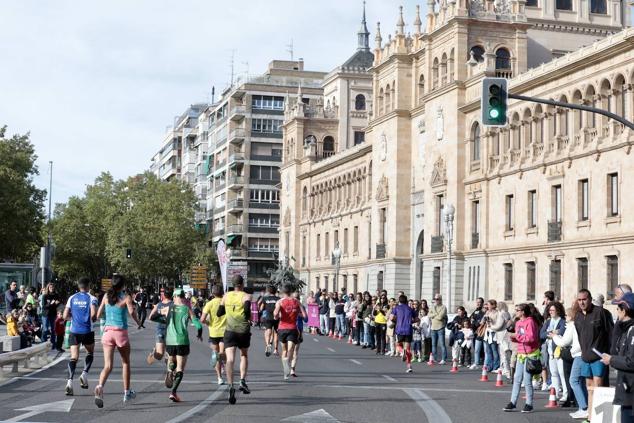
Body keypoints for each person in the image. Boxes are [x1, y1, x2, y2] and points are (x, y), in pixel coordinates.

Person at [94, 274, 141, 408]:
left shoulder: (106, 296)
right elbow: (132, 312)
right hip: (121, 333)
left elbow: (98, 315)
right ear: (123, 285)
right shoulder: (126, 297)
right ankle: (126, 393)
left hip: (107, 333)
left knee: (107, 365)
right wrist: (138, 322)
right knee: (125, 362)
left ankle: (99, 386)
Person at [153, 288, 202, 402]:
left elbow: (152, 317)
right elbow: (198, 325)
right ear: (183, 297)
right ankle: (173, 392)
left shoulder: (168, 308)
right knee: (180, 368)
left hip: (170, 341)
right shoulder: (187, 309)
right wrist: (199, 334)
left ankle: (170, 370)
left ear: (174, 297)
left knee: (171, 361)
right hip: (182, 341)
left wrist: (165, 319)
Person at [575, 289, 613, 416]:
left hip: (599, 358)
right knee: (589, 389)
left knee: (599, 388)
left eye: (584, 299)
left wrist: (610, 354)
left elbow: (611, 334)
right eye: (579, 300)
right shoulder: (578, 316)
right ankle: (591, 416)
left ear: (590, 299)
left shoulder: (601, 312)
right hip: (585, 358)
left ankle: (600, 417)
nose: (582, 302)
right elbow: (580, 336)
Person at [599, 292, 634, 422]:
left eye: (618, 308)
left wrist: (611, 359)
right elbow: (616, 350)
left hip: (631, 392)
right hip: (626, 390)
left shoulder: (632, 330)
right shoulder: (625, 329)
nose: (617, 312)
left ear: (624, 310)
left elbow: (632, 361)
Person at [217, 275, 252, 405]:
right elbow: (247, 311)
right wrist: (247, 318)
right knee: (244, 354)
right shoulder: (246, 296)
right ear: (242, 284)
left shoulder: (226, 296)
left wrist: (228, 310)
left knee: (230, 359)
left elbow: (219, 313)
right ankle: (242, 380)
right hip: (243, 330)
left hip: (230, 331)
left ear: (233, 284)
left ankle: (231, 385)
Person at [63, 277, 98, 396]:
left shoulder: (71, 298)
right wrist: (93, 319)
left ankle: (69, 382)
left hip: (74, 330)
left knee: (74, 357)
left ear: (79, 286)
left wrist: (73, 320)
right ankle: (84, 374)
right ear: (88, 286)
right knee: (90, 353)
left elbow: (64, 315)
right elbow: (93, 314)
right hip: (87, 330)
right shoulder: (92, 298)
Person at [504, 303, 540, 413]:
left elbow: (531, 338)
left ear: (523, 311)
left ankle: (529, 404)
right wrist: (514, 338)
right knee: (517, 378)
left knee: (527, 380)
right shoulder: (518, 322)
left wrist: (517, 336)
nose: (516, 312)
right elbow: (520, 337)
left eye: (518, 310)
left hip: (530, 354)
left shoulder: (530, 322)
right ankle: (512, 402)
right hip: (521, 353)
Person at [551, 306, 582, 412]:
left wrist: (554, 336)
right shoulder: (573, 325)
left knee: (572, 379)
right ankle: (575, 400)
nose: (565, 317)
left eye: (567, 315)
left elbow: (565, 342)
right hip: (572, 353)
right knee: (573, 379)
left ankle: (580, 404)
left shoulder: (571, 325)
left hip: (572, 353)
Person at [274, 284, 306, 380]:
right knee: (290, 349)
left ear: (283, 292)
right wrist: (298, 314)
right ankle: (286, 368)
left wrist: (277, 315)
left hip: (282, 328)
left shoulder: (279, 302)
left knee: (284, 350)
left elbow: (275, 314)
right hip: (292, 328)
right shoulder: (297, 301)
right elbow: (305, 316)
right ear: (291, 292)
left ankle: (285, 369)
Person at [540, 301, 567, 404]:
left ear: (558, 311)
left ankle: (565, 394)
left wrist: (555, 333)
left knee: (562, 373)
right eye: (550, 310)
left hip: (559, 351)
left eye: (553, 310)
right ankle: (554, 393)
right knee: (554, 373)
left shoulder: (562, 321)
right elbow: (541, 334)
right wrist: (551, 333)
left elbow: (562, 332)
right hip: (550, 351)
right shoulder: (548, 321)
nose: (550, 312)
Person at [201, 284, 227, 385]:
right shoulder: (226, 302)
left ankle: (219, 378)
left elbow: (202, 319)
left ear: (212, 293)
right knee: (222, 352)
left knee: (216, 354)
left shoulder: (209, 304)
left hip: (213, 332)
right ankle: (223, 363)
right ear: (222, 293)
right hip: (225, 331)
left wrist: (208, 323)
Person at [390, 294, 418, 373]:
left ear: (399, 301)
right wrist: (411, 321)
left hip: (399, 329)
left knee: (398, 345)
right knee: (408, 348)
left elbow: (391, 317)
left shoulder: (396, 308)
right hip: (408, 329)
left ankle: (402, 352)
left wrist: (397, 320)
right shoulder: (410, 309)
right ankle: (409, 366)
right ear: (406, 301)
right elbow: (417, 319)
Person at [147, 289, 173, 366]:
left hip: (171, 330)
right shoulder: (159, 304)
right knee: (159, 355)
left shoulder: (173, 305)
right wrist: (160, 317)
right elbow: (150, 317)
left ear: (163, 295)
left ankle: (170, 373)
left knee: (170, 357)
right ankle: (153, 352)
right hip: (161, 330)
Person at [260, 285, 280, 357]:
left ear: (269, 291)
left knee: (268, 331)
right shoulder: (278, 299)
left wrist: (262, 311)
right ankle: (276, 349)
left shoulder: (265, 298)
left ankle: (268, 344)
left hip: (268, 317)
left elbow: (261, 308)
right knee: (276, 332)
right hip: (276, 317)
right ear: (275, 291)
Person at [290, 292, 307, 377]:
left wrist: (299, 314)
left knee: (292, 351)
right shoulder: (301, 306)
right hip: (293, 329)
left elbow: (306, 320)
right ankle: (291, 369)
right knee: (294, 351)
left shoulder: (288, 305)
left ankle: (291, 369)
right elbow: (306, 319)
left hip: (292, 330)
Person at [428, 294, 448, 364]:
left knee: (442, 344)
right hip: (433, 328)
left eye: (437, 299)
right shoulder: (432, 307)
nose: (435, 300)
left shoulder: (443, 307)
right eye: (435, 299)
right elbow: (429, 315)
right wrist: (435, 314)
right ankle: (434, 358)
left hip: (440, 327)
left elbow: (440, 317)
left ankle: (444, 359)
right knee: (433, 345)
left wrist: (434, 314)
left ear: (440, 299)